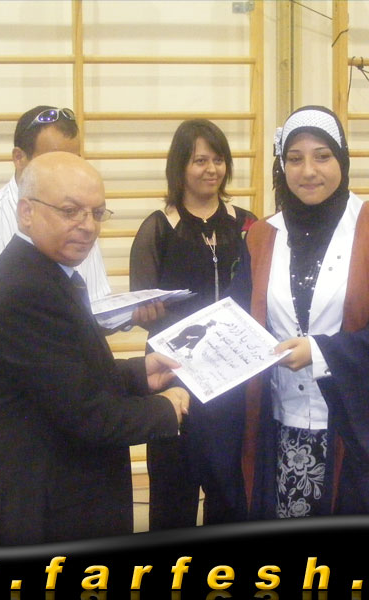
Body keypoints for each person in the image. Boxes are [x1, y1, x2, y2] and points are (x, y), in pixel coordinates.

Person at [0, 151, 190, 546]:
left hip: (49, 501)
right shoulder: (28, 289)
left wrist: (139, 372)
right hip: (39, 513)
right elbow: (89, 416)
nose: (87, 226)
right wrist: (165, 409)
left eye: (97, 213)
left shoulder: (42, 272)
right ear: (26, 212)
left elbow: (62, 377)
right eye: (70, 211)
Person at [233, 106, 369, 519]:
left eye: (322, 156)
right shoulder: (262, 236)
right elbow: (241, 321)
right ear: (281, 165)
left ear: (342, 159)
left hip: (357, 429)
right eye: (295, 158)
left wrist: (321, 352)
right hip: (283, 422)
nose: (308, 171)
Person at [0, 105, 110, 424]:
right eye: (52, 159)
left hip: (75, 403)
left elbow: (91, 313)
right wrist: (35, 323)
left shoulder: (83, 221)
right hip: (13, 418)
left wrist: (128, 314)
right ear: (19, 158)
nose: (66, 170)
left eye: (74, 159)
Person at [129, 119, 257, 530]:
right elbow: (142, 305)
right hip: (175, 375)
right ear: (180, 166)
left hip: (231, 373)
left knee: (229, 486)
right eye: (200, 160)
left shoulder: (246, 224)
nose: (211, 169)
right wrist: (146, 313)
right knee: (173, 488)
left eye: (218, 160)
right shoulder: (158, 227)